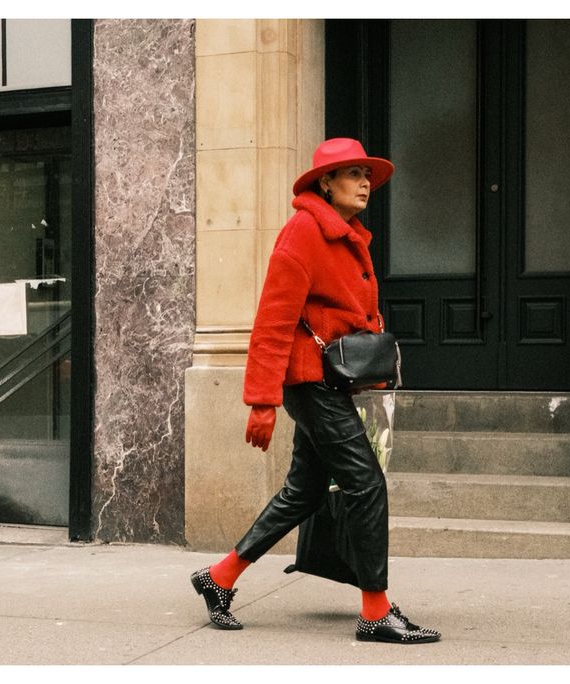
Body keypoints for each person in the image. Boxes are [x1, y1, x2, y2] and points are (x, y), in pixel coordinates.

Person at [190, 138, 441, 644]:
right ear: (325, 182)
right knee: (367, 485)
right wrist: (261, 401)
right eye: (352, 174)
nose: (365, 182)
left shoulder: (347, 234)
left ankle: (219, 578)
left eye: (367, 174)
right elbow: (272, 321)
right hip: (310, 384)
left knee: (303, 491)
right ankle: (375, 611)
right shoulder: (304, 231)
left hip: (332, 383)